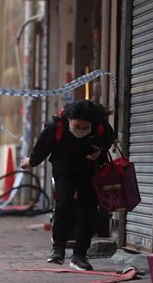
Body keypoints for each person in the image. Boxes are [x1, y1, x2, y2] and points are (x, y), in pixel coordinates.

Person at [21, 99, 115, 271]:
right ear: (69, 119)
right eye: (77, 126)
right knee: (64, 202)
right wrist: (32, 162)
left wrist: (99, 151)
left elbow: (109, 139)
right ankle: (58, 250)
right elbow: (43, 147)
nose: (81, 130)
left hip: (89, 170)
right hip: (63, 168)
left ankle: (80, 255)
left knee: (89, 208)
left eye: (85, 128)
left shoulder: (100, 126)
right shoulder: (56, 126)